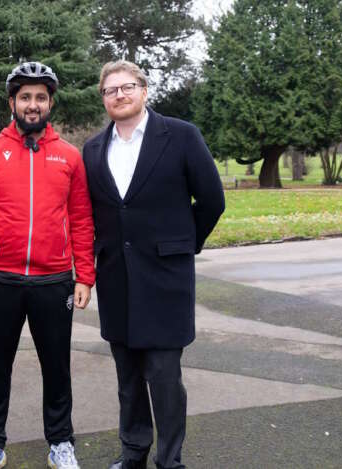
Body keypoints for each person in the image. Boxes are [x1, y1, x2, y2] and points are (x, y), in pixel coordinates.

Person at [0, 61, 95, 469]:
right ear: (12, 102)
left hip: (54, 280)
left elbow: (82, 219)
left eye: (41, 98)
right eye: (26, 97)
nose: (33, 105)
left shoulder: (68, 156)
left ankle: (60, 442)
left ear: (50, 104)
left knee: (57, 367)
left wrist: (85, 274)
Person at [82, 60, 225, 469]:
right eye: (110, 91)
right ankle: (133, 451)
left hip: (166, 280)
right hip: (116, 279)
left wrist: (181, 246)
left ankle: (170, 459)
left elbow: (212, 200)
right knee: (127, 378)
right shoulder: (93, 149)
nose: (119, 95)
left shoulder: (180, 136)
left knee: (163, 377)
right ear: (104, 99)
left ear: (144, 91)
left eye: (127, 87)